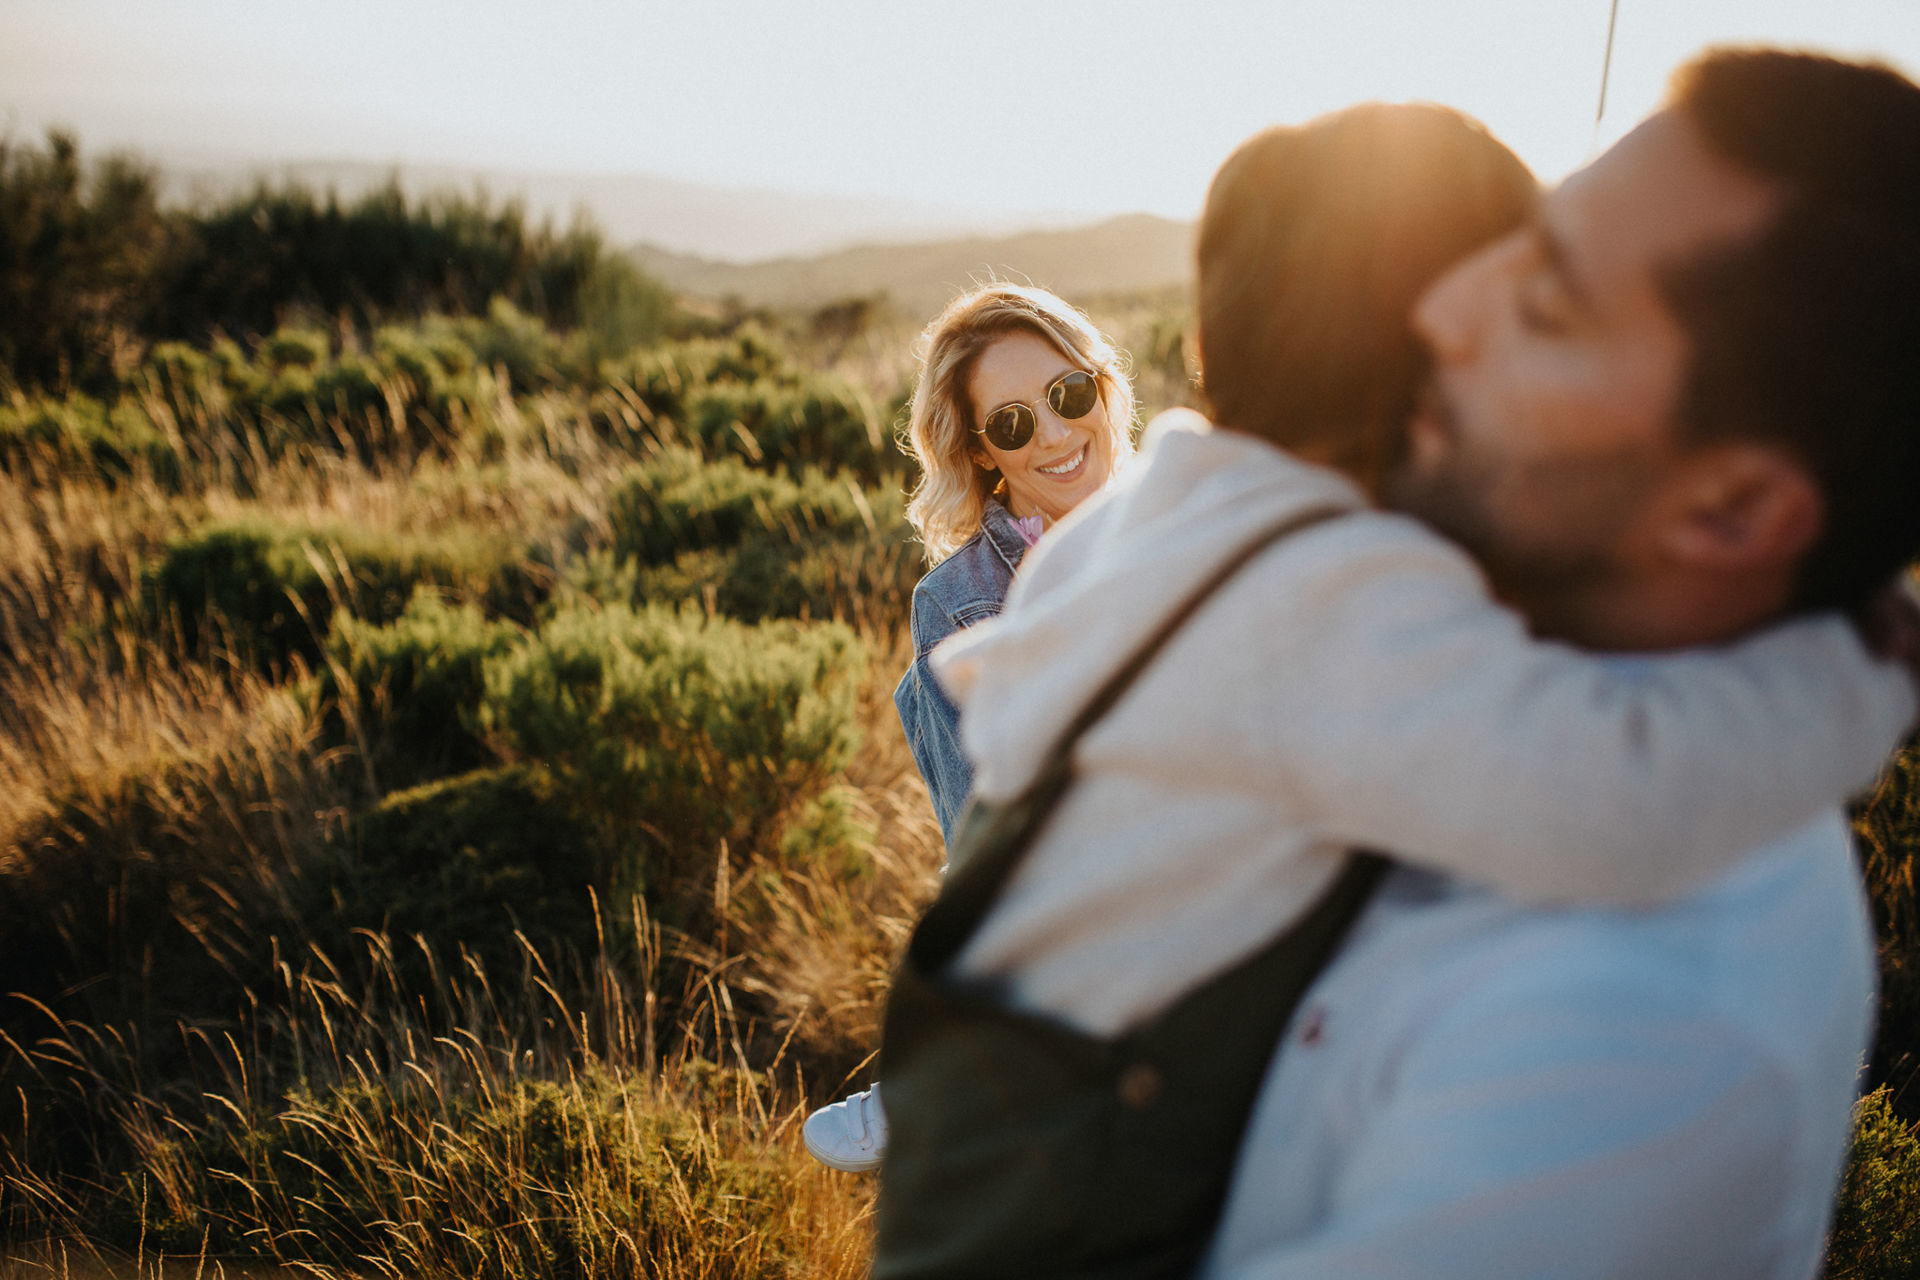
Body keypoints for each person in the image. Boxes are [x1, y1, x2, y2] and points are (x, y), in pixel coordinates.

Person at [870, 89, 1918, 1278]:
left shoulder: (1678, 1004)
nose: (1456, 315)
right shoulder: (1349, 609)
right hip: (1060, 1132)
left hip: (990, 1094)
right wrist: (1854, 678)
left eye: (1544, 298)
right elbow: (1602, 778)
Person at [1195, 48, 1920, 1279]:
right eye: (1514, 244)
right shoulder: (1438, 651)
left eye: (1546, 305)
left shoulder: (1651, 1029)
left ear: (1735, 508)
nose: (1439, 311)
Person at [803, 282, 1136, 1173]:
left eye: (1068, 394)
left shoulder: (1197, 519)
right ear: (983, 452)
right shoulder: (961, 601)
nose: (1056, 435)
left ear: (1103, 387)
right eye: (1015, 424)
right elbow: (987, 837)